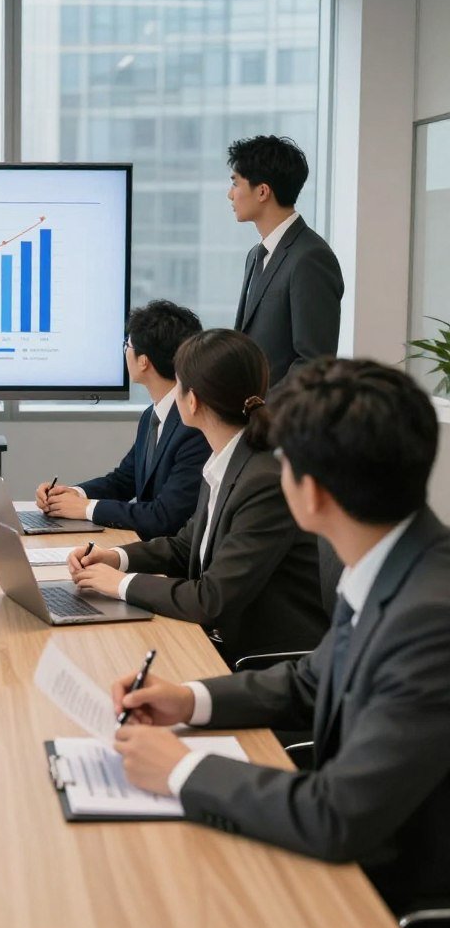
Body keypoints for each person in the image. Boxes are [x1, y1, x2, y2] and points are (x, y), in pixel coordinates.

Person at [109, 359, 450, 920]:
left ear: (310, 493)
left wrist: (180, 769)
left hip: (382, 893)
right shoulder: (394, 560)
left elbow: (337, 815)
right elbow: (310, 678)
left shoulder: (428, 620)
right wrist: (188, 699)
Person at [68, 329, 327, 666]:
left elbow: (211, 599)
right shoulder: (227, 458)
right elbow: (185, 545)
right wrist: (115, 557)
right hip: (219, 638)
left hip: (260, 660)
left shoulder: (264, 481)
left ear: (192, 401)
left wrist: (121, 584)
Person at [35, 300, 209, 539]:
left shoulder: (193, 425)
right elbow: (123, 480)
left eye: (127, 344)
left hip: (169, 558)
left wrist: (85, 509)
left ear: (143, 361)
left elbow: (165, 516)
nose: (125, 351)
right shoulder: (153, 414)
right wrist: (72, 494)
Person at [228, 134, 344, 386]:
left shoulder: (310, 257)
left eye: (235, 184)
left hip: (281, 419)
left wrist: (261, 412)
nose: (230, 194)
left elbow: (314, 363)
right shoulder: (255, 254)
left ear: (262, 191)